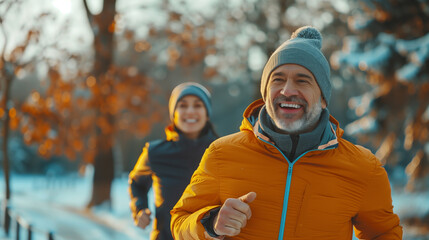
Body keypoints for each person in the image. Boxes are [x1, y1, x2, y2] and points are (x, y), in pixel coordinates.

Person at [170, 26, 403, 240]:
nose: (287, 90)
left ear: (323, 98)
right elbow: (180, 221)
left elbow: (384, 234)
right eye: (277, 80)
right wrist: (211, 223)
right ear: (265, 92)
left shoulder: (364, 169)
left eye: (302, 81)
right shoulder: (222, 154)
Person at [129, 82, 218, 240]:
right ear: (173, 113)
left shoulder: (222, 151)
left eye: (197, 105)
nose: (190, 112)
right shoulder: (155, 152)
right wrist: (140, 208)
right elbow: (137, 183)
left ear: (207, 113)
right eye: (182, 106)